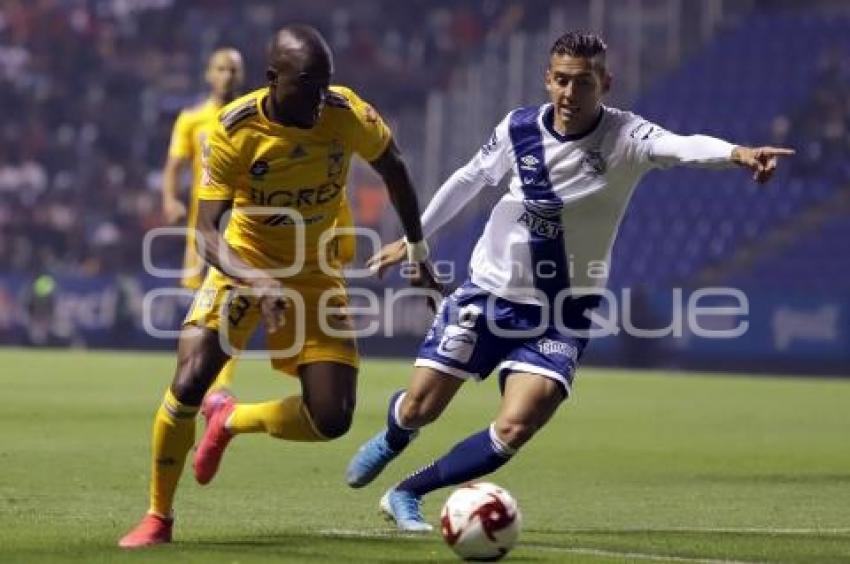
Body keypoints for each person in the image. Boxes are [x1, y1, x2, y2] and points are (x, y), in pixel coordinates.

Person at [345, 31, 794, 532]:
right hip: (489, 293)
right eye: (560, 80)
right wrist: (416, 239)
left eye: (583, 82)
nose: (569, 93)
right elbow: (470, 178)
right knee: (420, 408)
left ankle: (408, 492)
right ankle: (394, 436)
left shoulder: (627, 136)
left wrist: (737, 154)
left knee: (516, 426)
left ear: (605, 83)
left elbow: (684, 146)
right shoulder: (519, 128)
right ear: (547, 78)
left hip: (564, 311)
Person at [119, 24, 438, 548]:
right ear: (273, 79)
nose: (319, 98)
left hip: (315, 270)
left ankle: (230, 421)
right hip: (246, 260)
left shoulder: (344, 111)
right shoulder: (234, 129)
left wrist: (417, 248)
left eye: (326, 84)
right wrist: (256, 279)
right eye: (308, 85)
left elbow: (394, 168)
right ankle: (159, 516)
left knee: (331, 418)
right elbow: (204, 231)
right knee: (192, 376)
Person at [162, 47, 245, 391]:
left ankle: (219, 385)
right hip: (205, 227)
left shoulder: (252, 115)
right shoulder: (191, 119)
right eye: (221, 69)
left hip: (242, 226)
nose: (227, 76)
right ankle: (196, 377)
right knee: (202, 308)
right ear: (209, 74)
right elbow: (174, 166)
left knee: (236, 302)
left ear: (242, 75)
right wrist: (169, 199)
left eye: (233, 70)